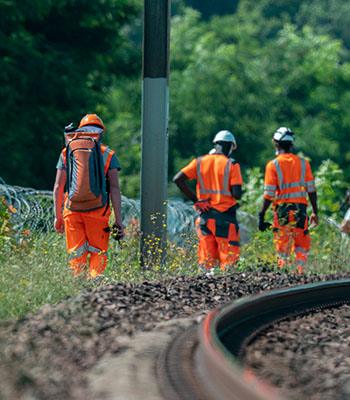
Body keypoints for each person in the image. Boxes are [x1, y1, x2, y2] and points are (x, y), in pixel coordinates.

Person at [53, 114, 124, 278]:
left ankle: (77, 289)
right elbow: (114, 188)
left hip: (72, 211)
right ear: (101, 133)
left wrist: (58, 217)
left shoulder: (66, 152)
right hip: (98, 212)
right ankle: (94, 288)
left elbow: (58, 187)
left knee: (76, 254)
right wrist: (118, 220)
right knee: (97, 253)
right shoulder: (108, 154)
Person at [173, 130, 243, 273]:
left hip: (205, 217)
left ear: (215, 144)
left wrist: (195, 200)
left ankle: (206, 287)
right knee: (228, 261)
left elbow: (178, 179)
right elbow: (236, 194)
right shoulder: (231, 164)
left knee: (206, 260)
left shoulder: (199, 162)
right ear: (230, 146)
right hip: (225, 218)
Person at [258, 127, 318, 273]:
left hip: (283, 210)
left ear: (277, 144)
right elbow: (311, 191)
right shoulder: (304, 164)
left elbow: (269, 195)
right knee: (301, 245)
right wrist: (315, 212)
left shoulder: (273, 165)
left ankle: (284, 276)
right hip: (301, 210)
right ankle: (301, 274)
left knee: (283, 248)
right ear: (291, 144)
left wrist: (261, 214)